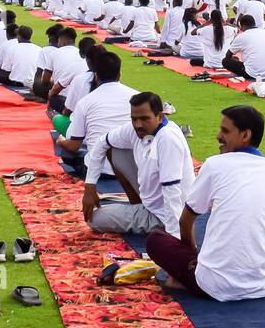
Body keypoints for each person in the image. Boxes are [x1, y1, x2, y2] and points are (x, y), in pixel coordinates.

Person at [145, 105, 265, 299]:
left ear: (245, 135)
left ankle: (188, 276)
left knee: (156, 240)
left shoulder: (215, 164)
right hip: (264, 284)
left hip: (213, 285)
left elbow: (185, 221)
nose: (218, 136)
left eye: (225, 131)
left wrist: (192, 258)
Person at [81, 91, 195, 236]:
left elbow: (171, 192)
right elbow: (102, 142)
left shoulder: (167, 138)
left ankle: (158, 226)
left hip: (165, 216)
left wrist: (175, 238)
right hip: (152, 204)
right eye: (134, 119)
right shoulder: (134, 130)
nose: (138, 125)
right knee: (114, 148)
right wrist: (90, 187)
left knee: (94, 219)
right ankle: (138, 205)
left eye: (144, 119)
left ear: (160, 117)